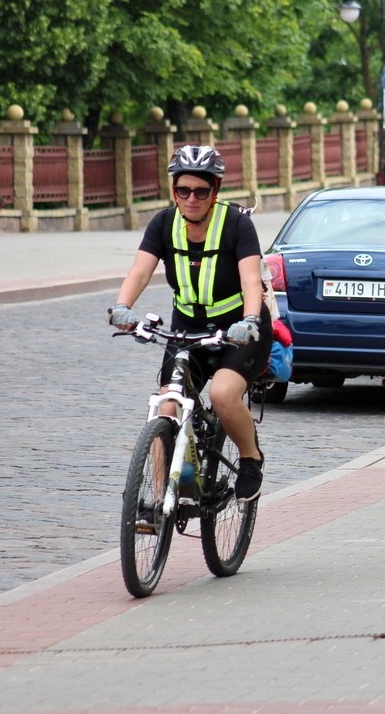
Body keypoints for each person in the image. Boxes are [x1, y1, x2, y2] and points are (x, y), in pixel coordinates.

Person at [108, 145, 273, 503]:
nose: (192, 198)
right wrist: (123, 306)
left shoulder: (236, 224)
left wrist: (248, 319)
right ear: (174, 192)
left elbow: (250, 280)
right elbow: (139, 270)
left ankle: (250, 459)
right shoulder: (164, 223)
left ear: (215, 192)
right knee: (167, 404)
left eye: (201, 191)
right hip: (188, 329)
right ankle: (156, 498)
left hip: (240, 330)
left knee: (223, 394)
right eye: (184, 190)